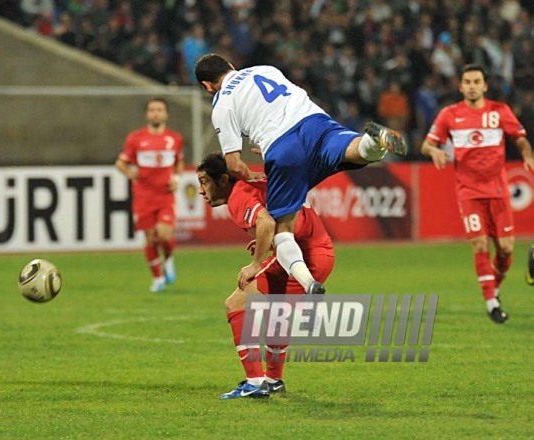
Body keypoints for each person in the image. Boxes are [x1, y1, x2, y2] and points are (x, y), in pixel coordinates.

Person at [194, 53, 406, 298]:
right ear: (231, 66)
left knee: (282, 227)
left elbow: (233, 164)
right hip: (314, 123)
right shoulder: (265, 68)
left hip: (282, 146)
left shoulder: (223, 103)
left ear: (207, 86)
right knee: (354, 151)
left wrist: (253, 176)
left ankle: (309, 284)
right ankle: (375, 141)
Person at [197, 153, 335, 399]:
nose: (201, 190)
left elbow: (266, 223)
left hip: (301, 257)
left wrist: (255, 263)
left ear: (224, 179)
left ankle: (255, 382)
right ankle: (273, 380)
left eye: (205, 181)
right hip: (318, 253)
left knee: (235, 303)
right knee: (276, 316)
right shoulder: (257, 183)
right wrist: (266, 243)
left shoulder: (239, 195)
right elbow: (278, 220)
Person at [421, 64, 534, 324]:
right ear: (461, 86)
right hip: (469, 192)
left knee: (505, 249)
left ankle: (493, 290)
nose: (472, 86)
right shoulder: (449, 115)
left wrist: (527, 154)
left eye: (476, 81)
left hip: (498, 190)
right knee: (480, 244)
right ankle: (491, 302)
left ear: (484, 86)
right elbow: (427, 144)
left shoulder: (499, 111)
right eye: (467, 82)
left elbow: (520, 138)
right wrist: (435, 151)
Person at [115, 98, 184, 292]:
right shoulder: (135, 138)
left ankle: (168, 258)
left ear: (166, 114)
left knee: (164, 234)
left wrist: (177, 179)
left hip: (165, 194)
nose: (155, 113)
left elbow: (179, 161)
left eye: (159, 110)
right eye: (152, 110)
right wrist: (131, 174)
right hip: (144, 195)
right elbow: (120, 163)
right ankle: (157, 278)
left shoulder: (174, 138)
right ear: (147, 114)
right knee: (151, 238)